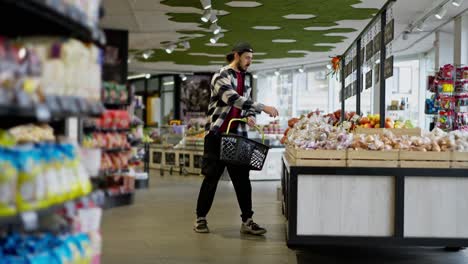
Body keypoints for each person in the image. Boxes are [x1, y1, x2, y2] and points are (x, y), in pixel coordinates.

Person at [194, 42, 279, 235]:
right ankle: (200, 218)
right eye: (247, 57)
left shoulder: (246, 78)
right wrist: (262, 107)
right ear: (236, 55)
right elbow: (232, 98)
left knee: (242, 179)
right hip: (216, 134)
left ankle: (247, 220)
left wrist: (251, 115)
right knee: (211, 178)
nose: (250, 62)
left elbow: (246, 104)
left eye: (251, 58)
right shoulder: (221, 75)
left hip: (237, 136)